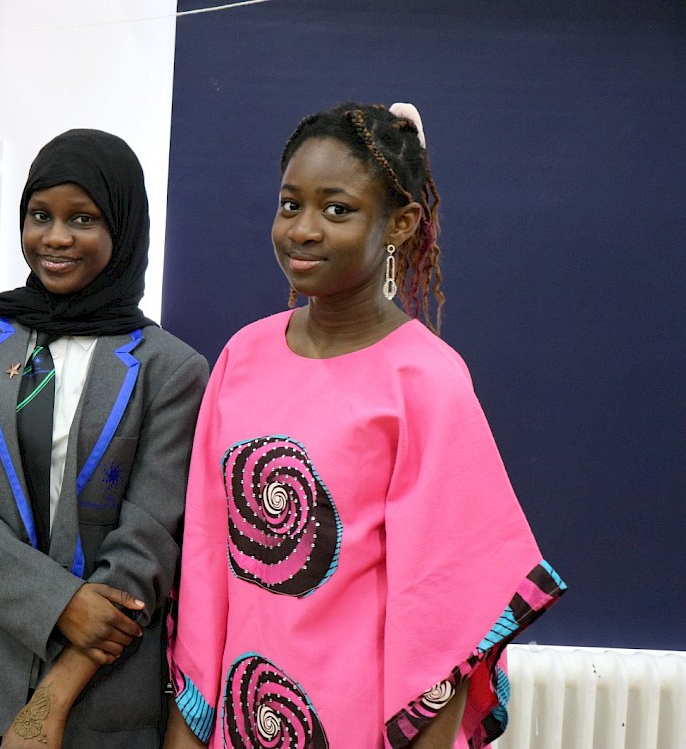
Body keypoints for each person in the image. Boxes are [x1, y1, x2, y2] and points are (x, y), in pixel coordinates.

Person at [163, 102, 566, 749]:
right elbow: (207, 563)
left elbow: (446, 616)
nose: (303, 229)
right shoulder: (242, 357)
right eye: (290, 204)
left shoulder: (425, 380)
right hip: (243, 718)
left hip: (359, 723)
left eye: (337, 209)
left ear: (400, 223)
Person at [0, 129, 208, 749]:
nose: (55, 237)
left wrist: (55, 693)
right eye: (39, 215)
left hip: (106, 686)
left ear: (123, 227)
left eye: (83, 219)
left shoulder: (170, 368)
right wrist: (61, 603)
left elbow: (151, 535)